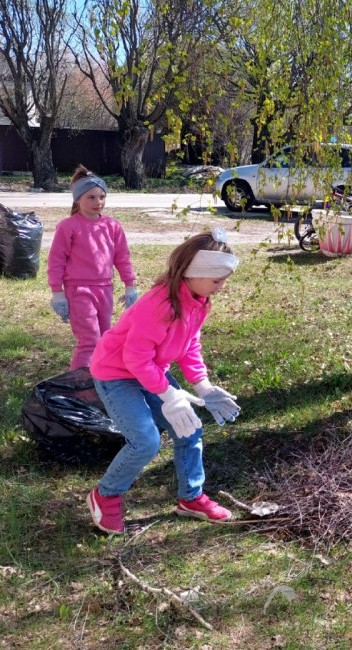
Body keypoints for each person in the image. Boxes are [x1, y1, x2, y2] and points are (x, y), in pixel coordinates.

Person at [86, 228, 242, 534]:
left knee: (190, 429)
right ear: (193, 272)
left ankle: (191, 498)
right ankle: (105, 495)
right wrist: (170, 395)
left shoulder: (199, 299)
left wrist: (203, 386)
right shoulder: (159, 305)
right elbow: (135, 359)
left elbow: (189, 346)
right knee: (145, 440)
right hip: (116, 374)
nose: (222, 286)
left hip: (151, 369)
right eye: (217, 279)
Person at [47, 165, 138, 370]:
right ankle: (80, 389)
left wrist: (129, 285)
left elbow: (122, 257)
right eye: (91, 197)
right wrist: (57, 293)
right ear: (78, 199)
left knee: (104, 339)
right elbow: (56, 260)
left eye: (102, 197)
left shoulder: (112, 226)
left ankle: (100, 382)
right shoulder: (68, 226)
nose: (98, 202)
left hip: (105, 289)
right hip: (79, 291)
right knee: (89, 341)